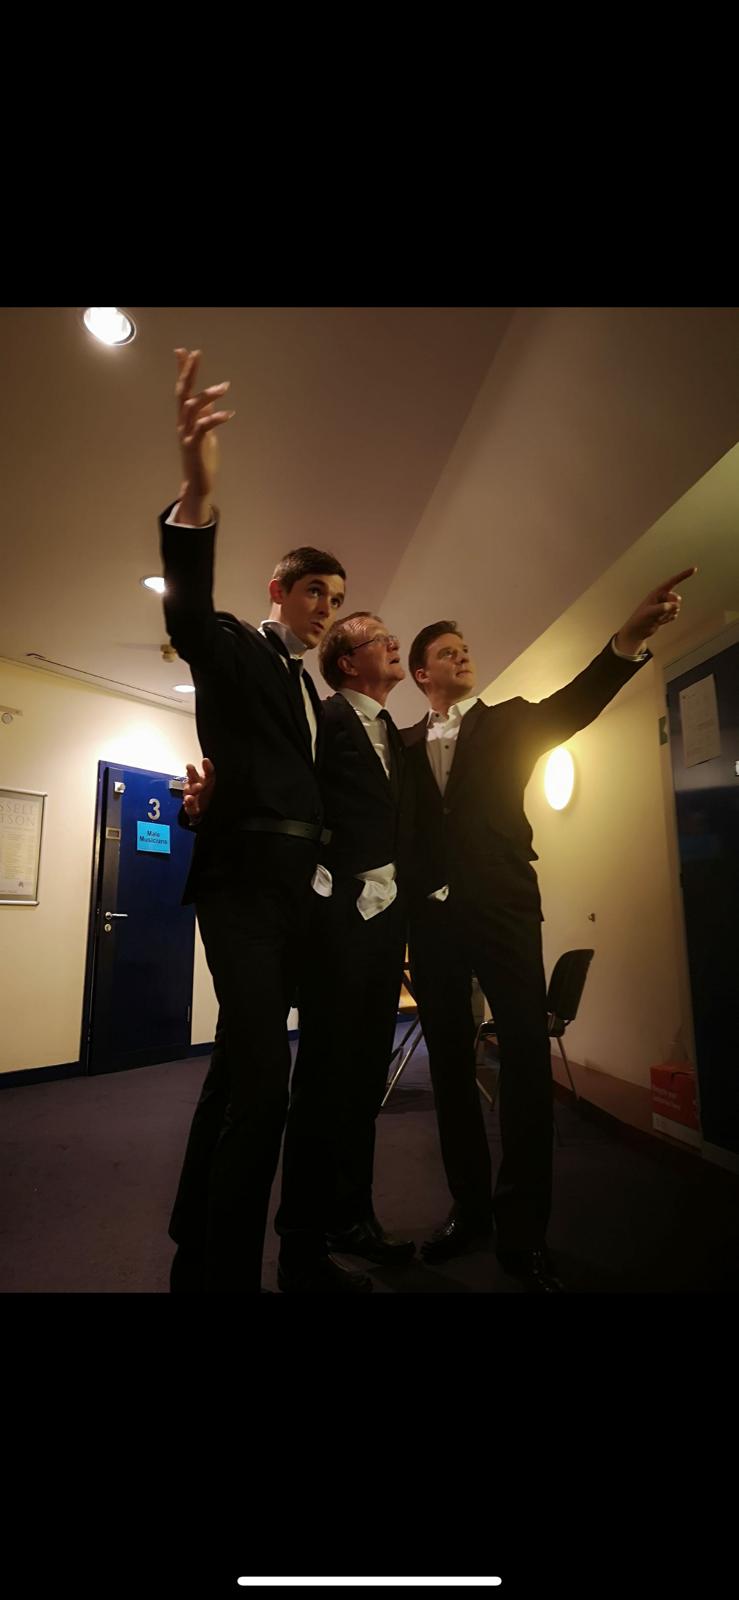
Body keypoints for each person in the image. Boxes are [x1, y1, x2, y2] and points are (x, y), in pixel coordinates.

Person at [402, 568, 696, 1292]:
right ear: (420, 674)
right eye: (446, 652)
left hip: (505, 908)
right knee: (449, 1067)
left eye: (465, 648)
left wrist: (626, 640)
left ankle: (523, 1231)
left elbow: (576, 704)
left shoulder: (508, 720)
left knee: (526, 1064)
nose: (462, 655)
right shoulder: (397, 745)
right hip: (430, 920)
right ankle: (468, 1212)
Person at [161, 348, 353, 1294]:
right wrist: (198, 495)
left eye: (338, 601)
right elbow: (189, 614)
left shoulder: (317, 697)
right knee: (264, 1084)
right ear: (279, 591)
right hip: (240, 889)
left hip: (304, 896)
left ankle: (200, 1241)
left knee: (248, 1076)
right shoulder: (236, 644)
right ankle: (224, 1274)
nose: (327, 611)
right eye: (316, 592)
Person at [182, 612, 418, 1291]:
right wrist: (206, 806)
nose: (393, 643)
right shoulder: (323, 719)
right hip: (322, 923)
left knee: (359, 1083)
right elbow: (274, 785)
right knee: (302, 1086)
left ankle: (349, 1218)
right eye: (378, 637)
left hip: (384, 929)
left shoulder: (397, 737)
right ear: (344, 661)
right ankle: (288, 1247)